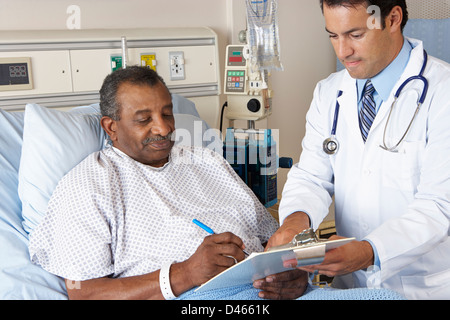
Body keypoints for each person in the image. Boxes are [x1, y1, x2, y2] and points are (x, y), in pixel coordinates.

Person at [29, 66, 308, 300]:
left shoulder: (207, 161)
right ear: (111, 127)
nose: (163, 129)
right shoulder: (90, 184)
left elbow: (272, 241)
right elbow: (84, 292)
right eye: (144, 120)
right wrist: (185, 273)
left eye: (167, 114)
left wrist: (295, 273)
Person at [266, 0, 450, 300]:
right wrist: (295, 221)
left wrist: (370, 251)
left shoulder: (443, 92)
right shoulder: (329, 92)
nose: (342, 52)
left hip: (425, 288)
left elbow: (440, 206)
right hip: (349, 289)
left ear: (392, 19)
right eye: (333, 35)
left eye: (355, 35)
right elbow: (313, 177)